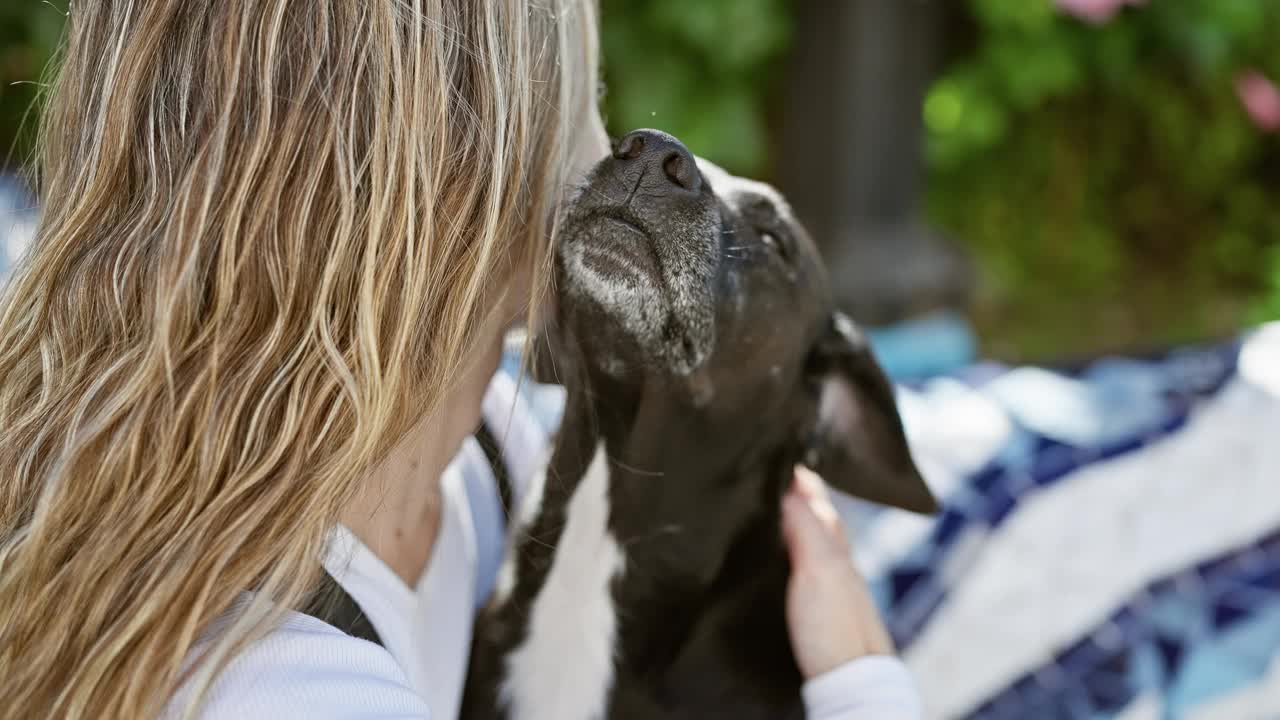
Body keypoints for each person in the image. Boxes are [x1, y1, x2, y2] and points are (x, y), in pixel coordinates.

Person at [0, 1, 924, 718]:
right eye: (584, 100)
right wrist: (863, 685)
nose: (636, 149)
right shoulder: (285, 685)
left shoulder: (479, 466)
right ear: (463, 177)